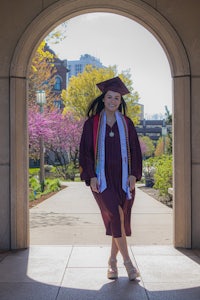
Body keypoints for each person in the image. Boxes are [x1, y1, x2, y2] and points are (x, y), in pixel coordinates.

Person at [79, 76, 142, 281]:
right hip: (102, 179)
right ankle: (128, 263)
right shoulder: (93, 124)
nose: (113, 101)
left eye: (117, 98)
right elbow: (85, 152)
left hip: (124, 179)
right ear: (103, 99)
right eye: (109, 97)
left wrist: (134, 174)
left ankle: (112, 263)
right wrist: (91, 176)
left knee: (120, 219)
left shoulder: (127, 123)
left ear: (120, 101)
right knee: (117, 216)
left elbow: (135, 150)